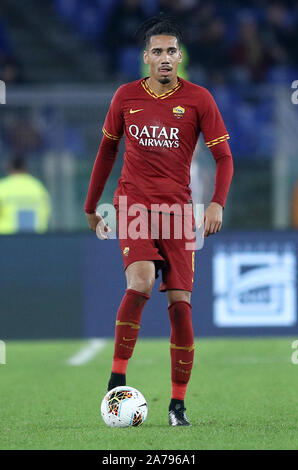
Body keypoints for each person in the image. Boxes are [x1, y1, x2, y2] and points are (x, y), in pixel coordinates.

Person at [85, 17, 233, 426]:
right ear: (146, 58)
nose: (165, 58)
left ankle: (177, 405)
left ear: (179, 57)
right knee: (141, 282)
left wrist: (217, 203)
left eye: (172, 51)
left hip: (179, 213)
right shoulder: (126, 97)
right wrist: (90, 205)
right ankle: (117, 377)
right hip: (133, 206)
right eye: (158, 52)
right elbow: (106, 152)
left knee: (181, 308)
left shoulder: (200, 99)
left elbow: (224, 157)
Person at [0, 156, 51, 234]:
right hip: (35, 238)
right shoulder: (37, 187)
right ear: (26, 168)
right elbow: (46, 213)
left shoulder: (3, 187)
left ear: (8, 168)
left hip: (7, 238)